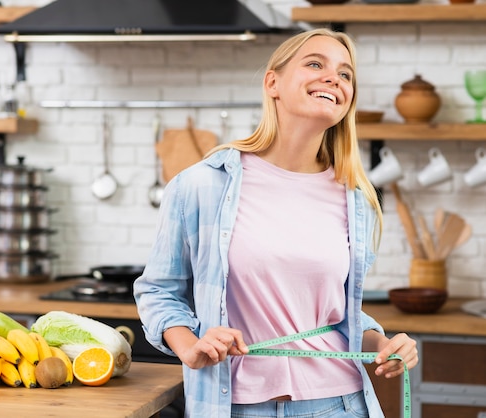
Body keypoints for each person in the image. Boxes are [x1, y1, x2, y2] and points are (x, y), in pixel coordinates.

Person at [133, 28, 418, 418]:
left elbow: (336, 316)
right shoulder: (203, 184)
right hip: (232, 405)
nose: (334, 78)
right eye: (315, 64)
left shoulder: (356, 198)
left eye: (346, 74)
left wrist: (382, 342)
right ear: (273, 83)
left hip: (339, 404)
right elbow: (159, 291)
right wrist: (189, 345)